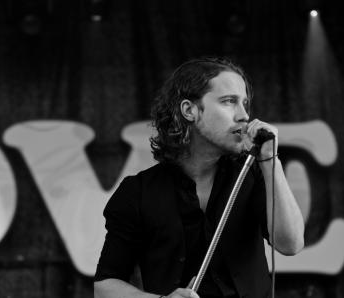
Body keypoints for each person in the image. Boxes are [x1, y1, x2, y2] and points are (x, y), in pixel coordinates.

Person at [93, 57, 304, 298]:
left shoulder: (254, 173)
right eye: (229, 102)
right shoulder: (139, 192)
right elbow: (105, 285)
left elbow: (291, 244)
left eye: (245, 104)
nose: (244, 115)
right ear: (189, 110)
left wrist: (270, 161)